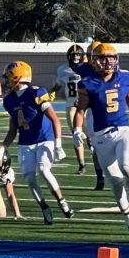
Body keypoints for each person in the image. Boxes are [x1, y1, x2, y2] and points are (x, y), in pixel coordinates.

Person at [73, 43, 129, 232]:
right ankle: (128, 216)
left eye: (111, 57)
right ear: (94, 60)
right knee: (115, 181)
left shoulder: (124, 77)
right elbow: (81, 109)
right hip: (100, 136)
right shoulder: (88, 83)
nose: (108, 61)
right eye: (103, 58)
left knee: (126, 166)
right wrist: (76, 130)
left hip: (123, 130)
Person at [2, 61, 73, 225]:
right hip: (25, 143)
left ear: (18, 77)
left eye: (9, 77)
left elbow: (55, 119)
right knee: (29, 179)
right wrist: (3, 147)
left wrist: (58, 144)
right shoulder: (9, 100)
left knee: (43, 169)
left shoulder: (37, 93)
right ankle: (44, 207)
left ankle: (61, 201)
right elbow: (13, 128)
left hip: (44, 139)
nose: (7, 80)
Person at [51, 43, 88, 174]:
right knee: (76, 136)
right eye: (73, 55)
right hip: (71, 105)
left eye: (78, 54)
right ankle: (82, 164)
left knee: (91, 136)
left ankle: (97, 160)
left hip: (87, 105)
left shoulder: (87, 68)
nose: (76, 57)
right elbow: (58, 84)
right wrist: (53, 92)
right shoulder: (63, 70)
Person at [79, 41, 106, 190]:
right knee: (96, 146)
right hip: (93, 113)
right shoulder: (85, 69)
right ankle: (100, 177)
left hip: (111, 113)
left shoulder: (113, 70)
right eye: (91, 56)